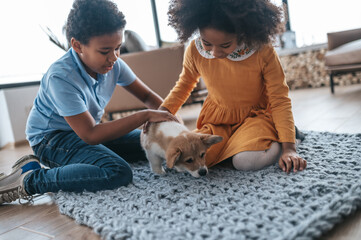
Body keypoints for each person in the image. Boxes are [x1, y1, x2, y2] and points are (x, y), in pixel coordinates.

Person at [0, 0, 177, 205]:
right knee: (117, 172)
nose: (114, 58)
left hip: (87, 132)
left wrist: (174, 127)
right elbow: (91, 135)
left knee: (157, 144)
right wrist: (144, 115)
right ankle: (30, 180)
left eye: (118, 48)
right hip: (52, 140)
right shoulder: (61, 77)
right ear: (77, 45)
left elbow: (148, 97)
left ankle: (81, 160)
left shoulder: (115, 64)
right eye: (105, 51)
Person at [160, 0, 307, 173]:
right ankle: (236, 146)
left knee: (244, 162)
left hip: (256, 118)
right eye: (207, 43)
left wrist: (289, 148)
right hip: (217, 120)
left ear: (243, 33)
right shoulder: (194, 50)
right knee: (191, 158)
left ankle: (284, 136)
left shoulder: (262, 51)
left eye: (225, 45)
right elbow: (184, 85)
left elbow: (279, 99)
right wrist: (163, 112)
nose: (215, 52)